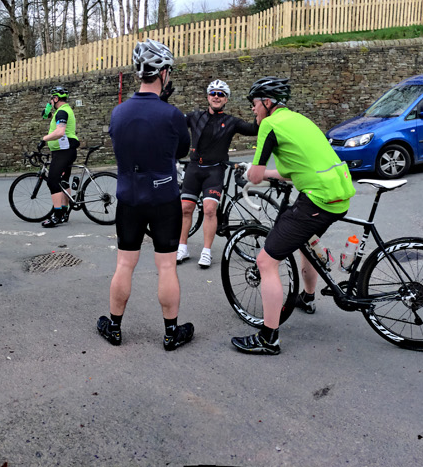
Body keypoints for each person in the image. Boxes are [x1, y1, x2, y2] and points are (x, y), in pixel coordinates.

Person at [231, 77, 356, 355]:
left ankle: (268, 338)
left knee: (265, 262)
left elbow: (255, 175)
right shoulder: (300, 120)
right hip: (338, 194)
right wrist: (269, 175)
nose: (253, 110)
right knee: (305, 241)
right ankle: (308, 298)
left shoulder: (270, 124)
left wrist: (248, 172)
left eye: (254, 103)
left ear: (267, 102)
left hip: (317, 199)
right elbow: (291, 170)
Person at [102, 39, 195, 351]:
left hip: (129, 198)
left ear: (138, 73)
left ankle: (114, 327)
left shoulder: (118, 113)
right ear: (164, 73)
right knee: (166, 266)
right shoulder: (172, 115)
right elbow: (182, 151)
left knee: (124, 264)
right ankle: (171, 333)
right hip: (164, 197)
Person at [177, 79, 258, 267]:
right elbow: (172, 122)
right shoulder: (195, 117)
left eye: (220, 94)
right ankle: (182, 247)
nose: (216, 97)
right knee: (185, 208)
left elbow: (254, 129)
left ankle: (206, 252)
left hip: (214, 170)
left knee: (209, 210)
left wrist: (257, 108)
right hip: (194, 168)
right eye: (213, 93)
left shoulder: (231, 122)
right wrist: (162, 101)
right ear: (207, 96)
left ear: (226, 99)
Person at [39, 86, 81, 228]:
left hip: (63, 152)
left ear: (56, 98)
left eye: (52, 99)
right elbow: (47, 117)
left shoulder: (62, 112)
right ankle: (64, 212)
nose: (51, 101)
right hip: (64, 151)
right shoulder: (63, 110)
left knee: (52, 181)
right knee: (63, 182)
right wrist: (48, 109)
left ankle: (57, 216)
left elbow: (60, 132)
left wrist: (44, 139)